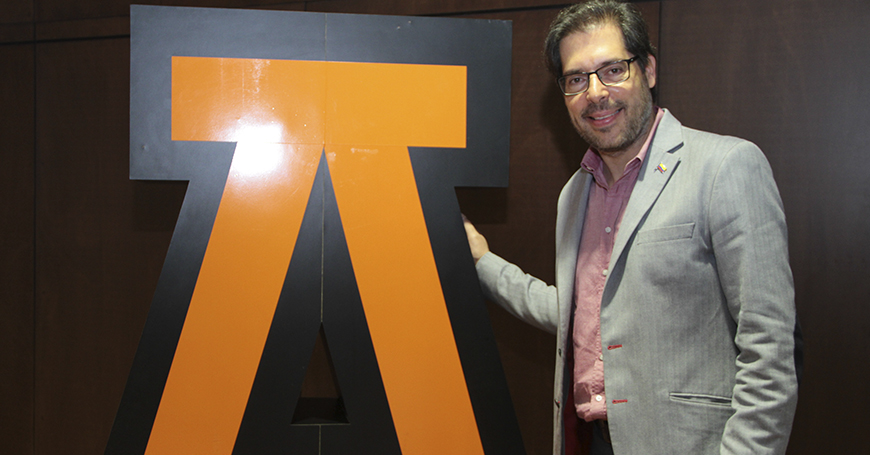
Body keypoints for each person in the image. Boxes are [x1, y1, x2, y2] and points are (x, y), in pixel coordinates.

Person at [463, 1, 799, 454]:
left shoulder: (726, 167)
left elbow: (771, 350)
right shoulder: (574, 195)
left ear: (649, 70)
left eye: (613, 70)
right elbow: (580, 316)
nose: (595, 93)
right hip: (590, 441)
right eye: (576, 79)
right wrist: (483, 262)